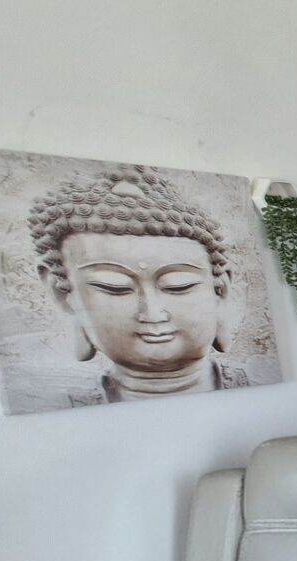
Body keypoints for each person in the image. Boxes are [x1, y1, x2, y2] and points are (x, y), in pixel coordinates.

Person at [28, 167, 249, 403]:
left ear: (221, 291)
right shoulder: (50, 403)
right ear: (63, 295)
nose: (153, 314)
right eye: (115, 287)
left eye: (178, 286)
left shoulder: (255, 382)